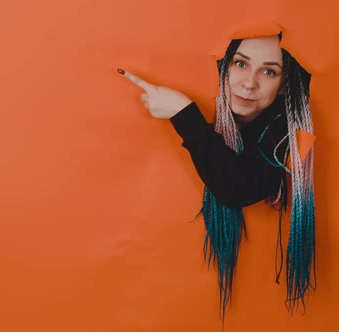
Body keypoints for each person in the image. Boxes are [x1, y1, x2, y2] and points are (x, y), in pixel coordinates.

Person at [118, 34, 316, 317]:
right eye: (240, 64)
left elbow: (237, 188)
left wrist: (182, 113)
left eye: (268, 71)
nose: (249, 83)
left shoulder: (295, 134)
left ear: (284, 85)